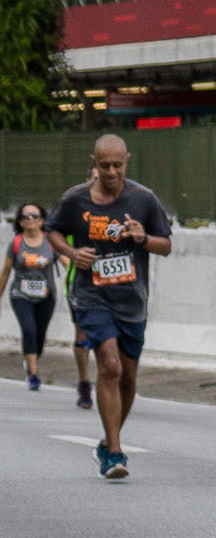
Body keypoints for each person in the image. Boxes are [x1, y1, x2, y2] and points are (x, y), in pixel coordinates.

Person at [46, 134, 172, 479]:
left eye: (118, 165)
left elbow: (166, 246)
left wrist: (142, 237)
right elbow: (51, 230)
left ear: (127, 160)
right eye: (104, 166)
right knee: (110, 365)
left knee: (129, 375)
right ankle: (115, 453)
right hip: (91, 296)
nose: (111, 172)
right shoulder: (75, 200)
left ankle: (107, 439)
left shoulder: (143, 199)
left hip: (132, 300)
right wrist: (73, 254)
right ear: (94, 162)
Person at [0, 203, 60, 391]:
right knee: (29, 330)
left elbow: (66, 260)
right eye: (25, 216)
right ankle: (33, 375)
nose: (30, 219)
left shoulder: (50, 241)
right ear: (20, 221)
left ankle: (31, 360)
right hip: (20, 295)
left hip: (46, 296)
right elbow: (6, 272)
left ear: (42, 220)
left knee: (40, 335)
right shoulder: (17, 243)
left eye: (34, 215)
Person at [66, 157, 98, 410]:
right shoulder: (75, 207)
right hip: (81, 283)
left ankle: (114, 378)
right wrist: (71, 256)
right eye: (95, 179)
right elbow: (57, 239)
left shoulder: (122, 206)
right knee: (83, 334)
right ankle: (84, 381)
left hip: (116, 285)